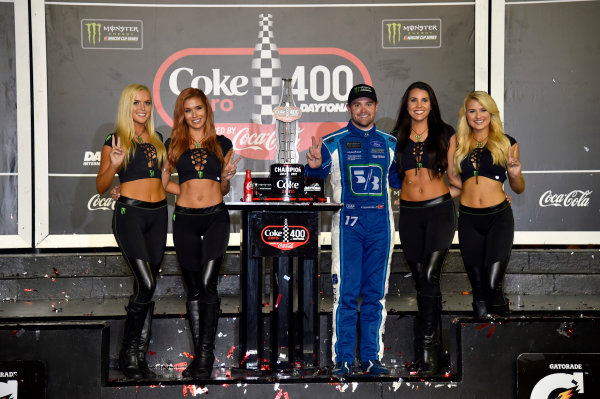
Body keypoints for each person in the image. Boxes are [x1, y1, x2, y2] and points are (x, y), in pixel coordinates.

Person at [305, 83, 401, 376]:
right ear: (349, 108)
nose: (363, 109)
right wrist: (313, 167)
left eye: (368, 104)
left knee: (375, 295)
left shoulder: (390, 143)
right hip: (347, 227)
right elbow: (313, 179)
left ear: (376, 107)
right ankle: (343, 359)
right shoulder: (332, 141)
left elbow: (401, 182)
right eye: (357, 104)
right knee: (345, 294)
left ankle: (372, 357)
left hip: (381, 227)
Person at [162, 87, 240, 379]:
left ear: (207, 110)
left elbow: (222, 189)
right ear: (182, 114)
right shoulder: (174, 144)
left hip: (215, 219)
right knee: (194, 288)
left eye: (199, 109)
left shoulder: (222, 143)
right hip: (184, 220)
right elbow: (164, 182)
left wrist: (227, 178)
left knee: (208, 285)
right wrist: (183, 190)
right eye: (188, 110)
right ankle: (199, 356)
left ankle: (205, 357)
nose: (194, 115)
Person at [96, 83, 168, 380]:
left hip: (159, 216)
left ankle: (139, 359)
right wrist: (113, 166)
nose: (143, 108)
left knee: (145, 289)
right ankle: (128, 353)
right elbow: (101, 186)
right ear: (127, 106)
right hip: (130, 215)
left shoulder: (159, 139)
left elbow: (164, 181)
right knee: (147, 284)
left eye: (147, 103)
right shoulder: (114, 140)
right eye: (136, 102)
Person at [391, 81, 461, 376]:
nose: (419, 105)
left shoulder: (446, 134)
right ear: (406, 105)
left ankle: (427, 354)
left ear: (432, 104)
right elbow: (391, 177)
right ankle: (435, 350)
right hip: (409, 215)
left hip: (439, 214)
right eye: (413, 100)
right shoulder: (395, 137)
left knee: (430, 275)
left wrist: (447, 200)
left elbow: (457, 179)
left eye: (424, 100)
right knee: (421, 279)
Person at [453, 91, 524, 319]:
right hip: (468, 219)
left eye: (483, 110)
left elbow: (519, 187)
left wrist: (514, 174)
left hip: (498, 218)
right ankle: (482, 342)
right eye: (472, 110)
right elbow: (453, 180)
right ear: (466, 115)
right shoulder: (458, 144)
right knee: (479, 290)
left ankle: (501, 328)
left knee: (493, 284)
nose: (478, 115)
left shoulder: (507, 143)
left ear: (491, 113)